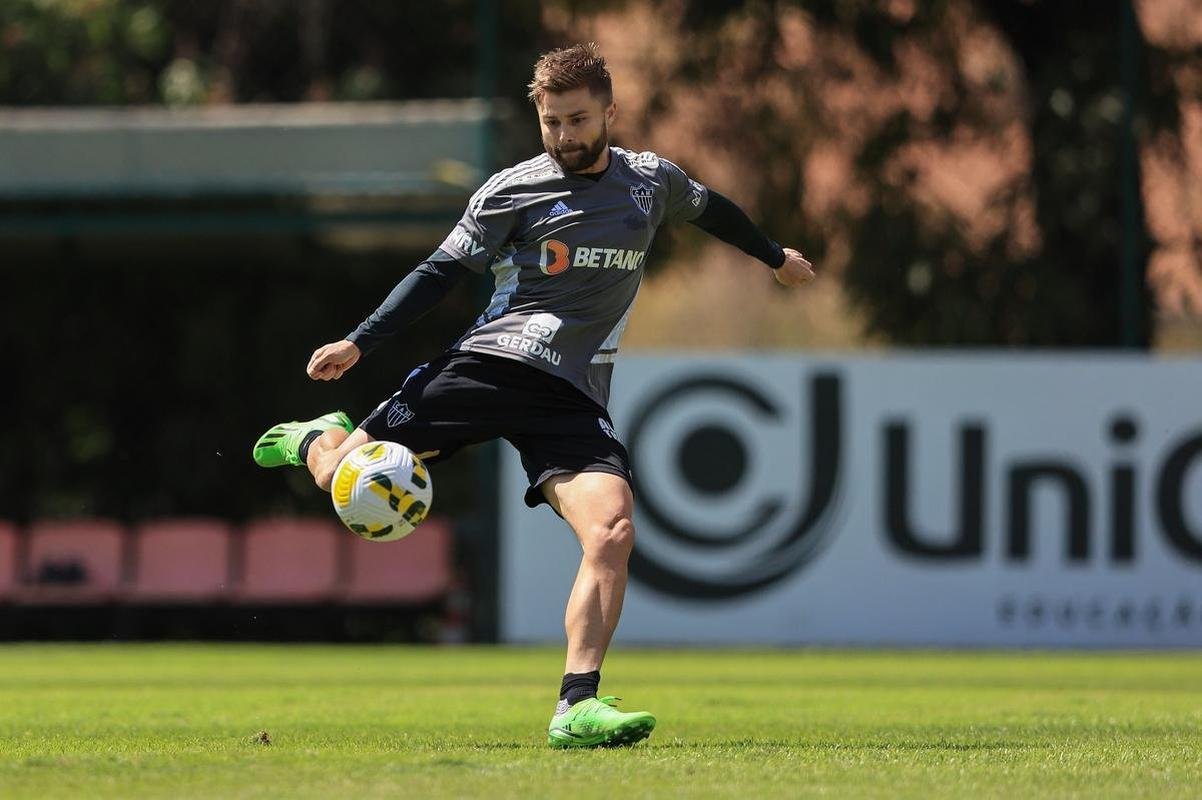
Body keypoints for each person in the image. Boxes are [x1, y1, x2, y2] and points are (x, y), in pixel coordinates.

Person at [252, 42, 815, 748]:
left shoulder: (649, 183)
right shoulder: (511, 189)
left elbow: (712, 210)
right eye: (551, 122)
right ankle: (317, 435)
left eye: (577, 120)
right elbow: (437, 273)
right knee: (338, 477)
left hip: (572, 394)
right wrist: (360, 341)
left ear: (610, 111)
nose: (564, 137)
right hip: (490, 366)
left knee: (612, 529)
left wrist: (775, 257)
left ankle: (576, 705)